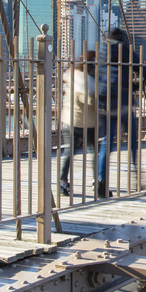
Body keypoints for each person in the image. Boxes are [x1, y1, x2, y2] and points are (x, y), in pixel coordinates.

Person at [95, 28, 146, 198]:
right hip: (123, 100)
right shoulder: (125, 50)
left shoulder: (102, 52)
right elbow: (144, 72)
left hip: (105, 101)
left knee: (106, 143)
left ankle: (101, 180)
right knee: (133, 141)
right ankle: (137, 178)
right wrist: (135, 86)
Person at [58, 51, 97, 197]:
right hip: (86, 121)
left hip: (68, 119)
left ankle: (63, 181)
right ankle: (97, 180)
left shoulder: (70, 74)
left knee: (69, 152)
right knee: (94, 152)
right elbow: (86, 99)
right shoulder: (85, 79)